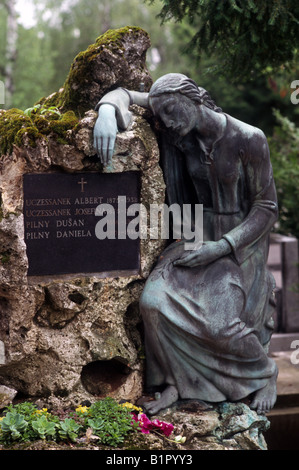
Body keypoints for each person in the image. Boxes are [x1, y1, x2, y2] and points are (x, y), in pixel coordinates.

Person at [93, 73, 278, 415]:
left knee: (220, 322)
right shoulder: (178, 125)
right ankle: (174, 384)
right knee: (152, 303)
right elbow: (123, 93)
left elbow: (266, 208)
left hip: (238, 246)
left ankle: (263, 373)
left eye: (168, 113)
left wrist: (223, 246)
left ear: (192, 99)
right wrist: (106, 111)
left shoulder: (248, 138)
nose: (163, 122)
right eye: (159, 115)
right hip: (193, 237)